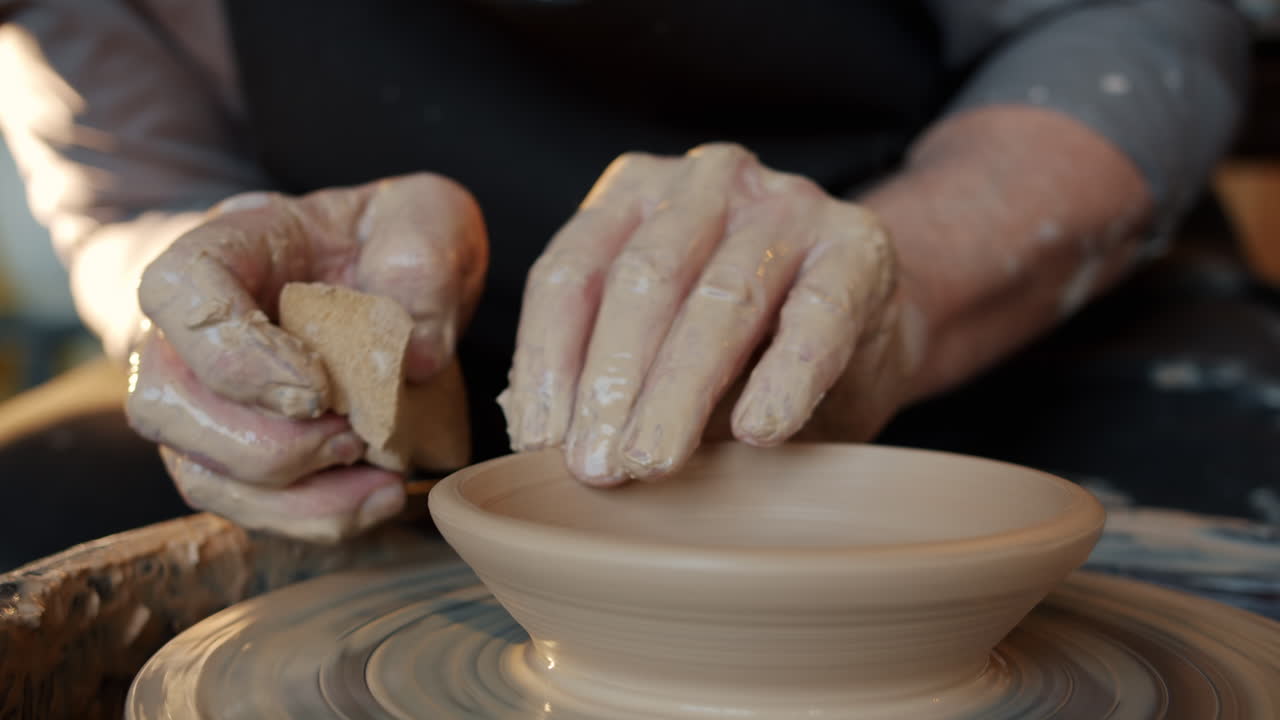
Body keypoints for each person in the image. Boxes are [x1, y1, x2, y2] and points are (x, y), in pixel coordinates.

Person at [0, 1, 1251, 544]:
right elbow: (134, 204)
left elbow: (1134, 25)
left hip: (978, 286)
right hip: (443, 390)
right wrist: (246, 332)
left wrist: (908, 283)